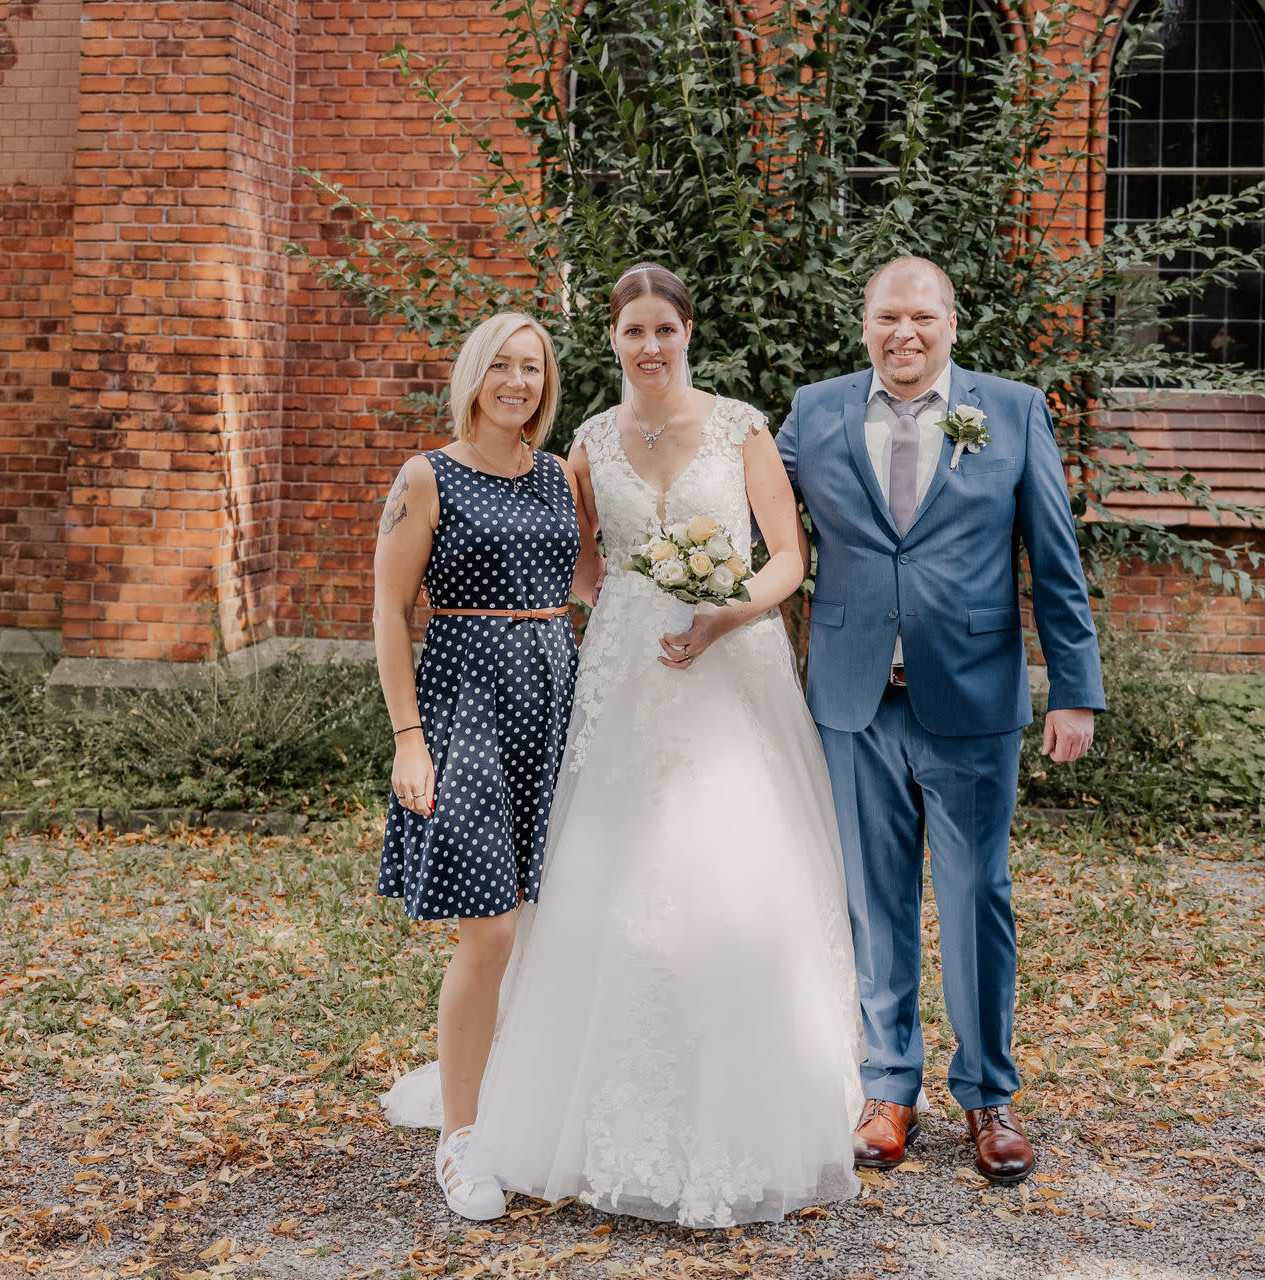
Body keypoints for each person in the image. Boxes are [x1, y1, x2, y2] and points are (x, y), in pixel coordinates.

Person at [381, 264, 864, 1228]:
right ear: (611, 339)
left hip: (728, 671)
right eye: (632, 330)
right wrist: (623, 607)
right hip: (616, 678)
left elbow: (788, 556)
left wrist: (724, 611)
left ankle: (744, 1096)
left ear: (687, 333)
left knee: (728, 874)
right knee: (596, 879)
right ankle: (555, 1098)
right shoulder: (587, 445)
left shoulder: (741, 428)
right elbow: (577, 558)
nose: (649, 345)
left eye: (664, 330)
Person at [776, 255, 1104, 1185]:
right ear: (865, 324)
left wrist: (1073, 688)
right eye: (888, 317)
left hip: (972, 698)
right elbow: (745, 509)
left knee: (975, 899)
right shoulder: (815, 412)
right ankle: (888, 1089)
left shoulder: (1014, 411)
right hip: (853, 701)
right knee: (873, 904)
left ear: (951, 325)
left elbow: (1055, 557)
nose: (904, 333)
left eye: (922, 317)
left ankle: (989, 1096)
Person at [372, 311, 599, 1220]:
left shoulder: (557, 475)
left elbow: (590, 582)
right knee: (491, 929)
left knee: (552, 921)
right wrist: (408, 737)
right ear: (474, 375)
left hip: (555, 698)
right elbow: (389, 612)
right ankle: (461, 1139)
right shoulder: (427, 476)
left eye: (532, 368)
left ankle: (529, 1100)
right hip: (464, 704)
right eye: (501, 365)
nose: (517, 381)